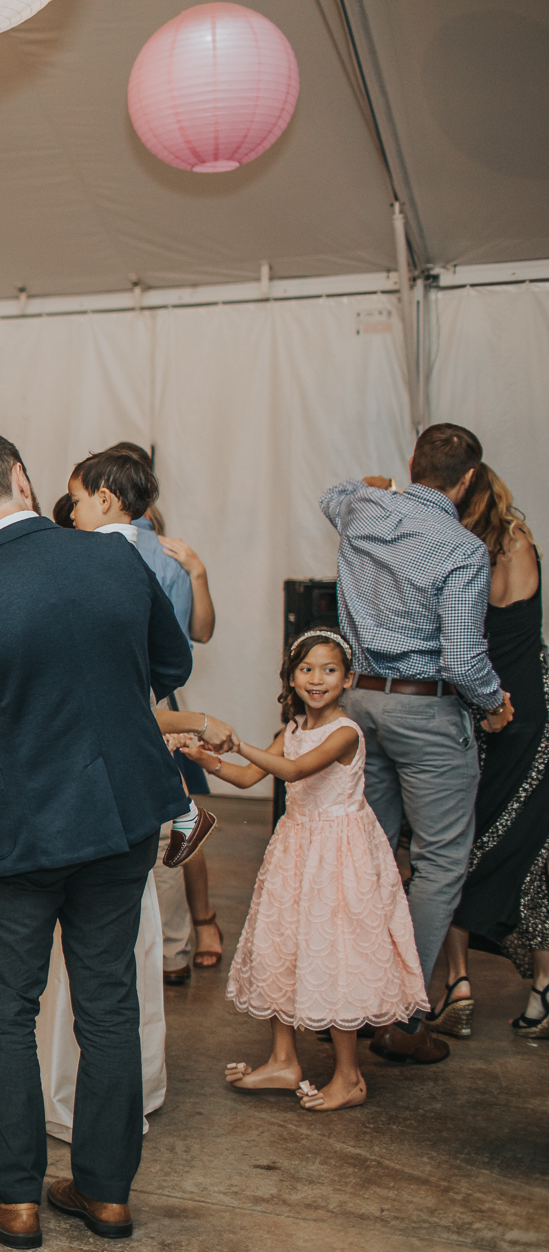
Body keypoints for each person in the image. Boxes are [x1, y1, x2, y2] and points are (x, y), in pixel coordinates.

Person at [0, 429, 192, 1250]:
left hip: (21, 829)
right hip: (117, 816)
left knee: (7, 1011)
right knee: (110, 1003)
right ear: (24, 479)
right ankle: (106, 1192)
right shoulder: (114, 559)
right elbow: (170, 663)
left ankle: (14, 1199)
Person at [323, 424, 512, 1068]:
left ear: (412, 463)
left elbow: (331, 494)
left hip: (357, 706)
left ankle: (349, 1003)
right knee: (439, 864)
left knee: (368, 855)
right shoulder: (462, 548)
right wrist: (494, 702)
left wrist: (375, 485)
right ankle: (403, 1017)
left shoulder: (362, 509)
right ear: (467, 480)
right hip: (426, 710)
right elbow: (463, 658)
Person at [183, 631, 426, 1111]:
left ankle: (349, 1077)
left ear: (347, 679)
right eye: (307, 669)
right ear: (292, 678)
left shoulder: (345, 732)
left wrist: (237, 742)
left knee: (332, 953)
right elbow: (248, 777)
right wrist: (205, 758)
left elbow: (293, 772)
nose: (317, 679)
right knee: (284, 945)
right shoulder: (293, 729)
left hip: (338, 854)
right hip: (296, 848)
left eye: (329, 670)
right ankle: (283, 1060)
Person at [102, 442, 226, 981]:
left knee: (155, 825)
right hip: (160, 697)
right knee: (173, 818)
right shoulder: (170, 554)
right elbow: (192, 641)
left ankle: (164, 940)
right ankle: (177, 944)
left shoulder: (100, 551)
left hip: (130, 702)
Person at [448, 466, 547, 1036]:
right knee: (533, 846)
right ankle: (544, 988)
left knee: (456, 839)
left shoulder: (461, 552)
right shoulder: (521, 541)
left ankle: (457, 983)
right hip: (534, 698)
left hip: (484, 702)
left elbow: (463, 644)